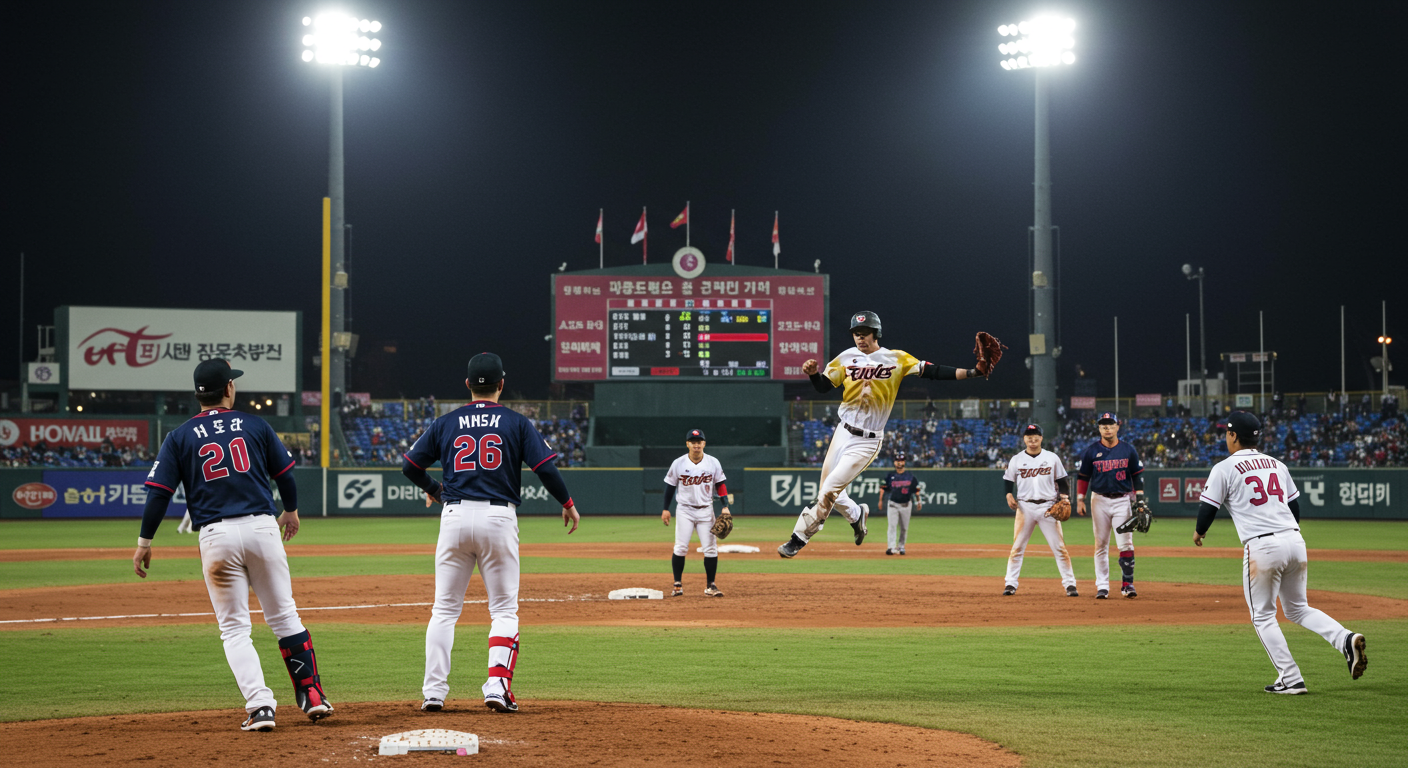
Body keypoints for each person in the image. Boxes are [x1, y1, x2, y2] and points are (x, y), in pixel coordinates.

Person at [133, 359, 331, 732]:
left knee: (235, 629)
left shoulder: (179, 436)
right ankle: (312, 696)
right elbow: (285, 475)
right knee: (286, 617)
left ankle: (260, 708)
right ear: (228, 389)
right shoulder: (255, 424)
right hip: (261, 527)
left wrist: (145, 541)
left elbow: (158, 495)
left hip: (216, 537)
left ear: (198, 394)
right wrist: (290, 511)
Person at [401, 352, 580, 714]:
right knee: (503, 610)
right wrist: (567, 502)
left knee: (444, 611)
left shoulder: (446, 421)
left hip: (453, 515)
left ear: (467, 384)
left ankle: (433, 693)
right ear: (501, 383)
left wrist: (435, 490)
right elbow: (545, 468)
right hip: (498, 518)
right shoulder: (516, 422)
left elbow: (410, 465)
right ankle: (497, 687)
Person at [777, 311, 991, 558]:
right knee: (829, 490)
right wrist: (814, 374)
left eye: (864, 333)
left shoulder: (895, 358)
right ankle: (857, 516)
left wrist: (973, 372)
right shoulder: (846, 358)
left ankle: (798, 539)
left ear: (876, 333)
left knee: (828, 491)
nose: (860, 338)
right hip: (842, 432)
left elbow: (933, 371)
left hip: (866, 441)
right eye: (856, 334)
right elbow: (825, 387)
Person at [1194, 411, 1367, 693]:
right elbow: (1294, 508)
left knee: (1262, 616)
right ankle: (1345, 639)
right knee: (1298, 608)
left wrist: (1199, 532)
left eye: (1227, 433)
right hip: (1294, 540)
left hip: (1262, 546)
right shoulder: (1277, 464)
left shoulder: (1224, 468)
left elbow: (1207, 508)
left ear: (1233, 435)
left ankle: (1290, 677)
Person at [1074, 412, 1147, 599]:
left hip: (1122, 500)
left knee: (1126, 544)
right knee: (1100, 545)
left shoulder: (1128, 450)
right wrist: (1080, 499)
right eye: (1103, 425)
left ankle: (1127, 585)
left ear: (1117, 426)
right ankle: (1102, 586)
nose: (1107, 428)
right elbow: (1083, 477)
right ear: (1099, 428)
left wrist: (1139, 501)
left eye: (1110, 425)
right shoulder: (1091, 451)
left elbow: (1137, 475)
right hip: (1099, 500)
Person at [1002, 424, 1078, 596]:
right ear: (1024, 439)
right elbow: (1008, 480)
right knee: (1017, 548)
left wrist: (1064, 498)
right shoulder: (1017, 459)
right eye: (1029, 435)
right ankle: (1010, 584)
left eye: (1036, 435)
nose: (1032, 439)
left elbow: (1063, 480)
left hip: (1048, 507)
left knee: (1059, 548)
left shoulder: (1052, 458)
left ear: (1041, 438)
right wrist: (1008, 494)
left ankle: (1070, 585)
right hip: (1024, 507)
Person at [661, 428, 730, 597]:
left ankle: (711, 586)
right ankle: (677, 584)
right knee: (681, 547)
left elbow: (720, 485)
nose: (696, 445)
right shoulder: (678, 463)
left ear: (704, 443)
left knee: (711, 549)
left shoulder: (713, 462)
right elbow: (670, 487)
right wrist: (665, 509)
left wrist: (725, 505)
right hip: (685, 510)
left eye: (699, 442)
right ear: (687, 444)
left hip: (706, 511)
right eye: (693, 442)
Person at [880, 452, 920, 555]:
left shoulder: (910, 477)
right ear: (894, 462)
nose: (899, 463)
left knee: (904, 528)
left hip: (906, 505)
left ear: (904, 462)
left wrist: (918, 501)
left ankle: (901, 546)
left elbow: (916, 490)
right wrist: (880, 500)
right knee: (892, 526)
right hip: (893, 504)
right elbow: (883, 489)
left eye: (901, 461)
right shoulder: (890, 476)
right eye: (897, 461)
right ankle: (891, 547)